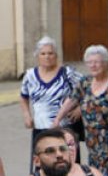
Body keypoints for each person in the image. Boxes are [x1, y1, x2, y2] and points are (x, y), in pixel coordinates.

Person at [20, 36, 84, 167]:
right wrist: (27, 115)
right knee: (42, 165)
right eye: (43, 54)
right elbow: (23, 96)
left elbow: (87, 89)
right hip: (40, 128)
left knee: (68, 164)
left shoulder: (67, 73)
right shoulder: (30, 75)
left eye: (50, 53)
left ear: (56, 55)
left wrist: (80, 109)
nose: (47, 57)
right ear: (37, 56)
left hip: (65, 128)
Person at [56, 45, 108, 171]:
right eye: (89, 62)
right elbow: (71, 100)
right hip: (91, 141)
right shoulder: (85, 82)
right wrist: (57, 120)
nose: (93, 65)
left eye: (97, 62)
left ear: (106, 63)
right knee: (94, 174)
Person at [25, 128, 107, 176]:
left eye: (70, 144)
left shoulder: (93, 175)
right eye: (51, 150)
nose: (60, 153)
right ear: (37, 160)